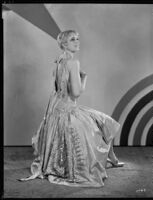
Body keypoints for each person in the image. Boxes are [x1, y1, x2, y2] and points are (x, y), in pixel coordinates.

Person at [19, 30, 124, 187]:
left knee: (102, 121)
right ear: (64, 44)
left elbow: (58, 91)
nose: (77, 42)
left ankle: (113, 159)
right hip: (68, 111)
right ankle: (113, 160)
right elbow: (75, 94)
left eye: (77, 39)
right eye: (73, 39)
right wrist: (84, 78)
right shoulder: (73, 63)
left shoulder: (58, 62)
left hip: (55, 113)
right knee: (105, 122)